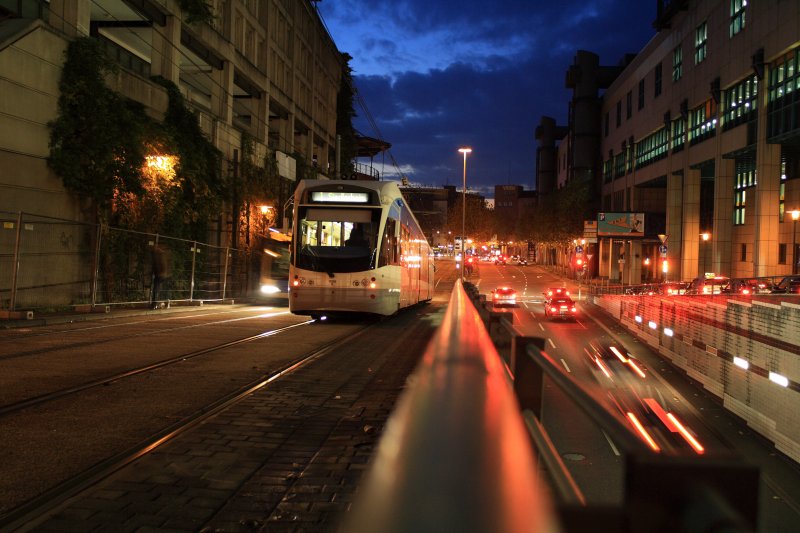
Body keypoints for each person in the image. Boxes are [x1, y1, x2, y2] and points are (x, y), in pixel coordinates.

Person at [151, 244, 171, 309]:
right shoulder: (159, 254)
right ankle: (158, 304)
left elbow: (165, 264)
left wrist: (164, 273)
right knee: (162, 290)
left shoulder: (161, 254)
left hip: (162, 275)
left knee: (158, 290)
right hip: (162, 275)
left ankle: (156, 304)